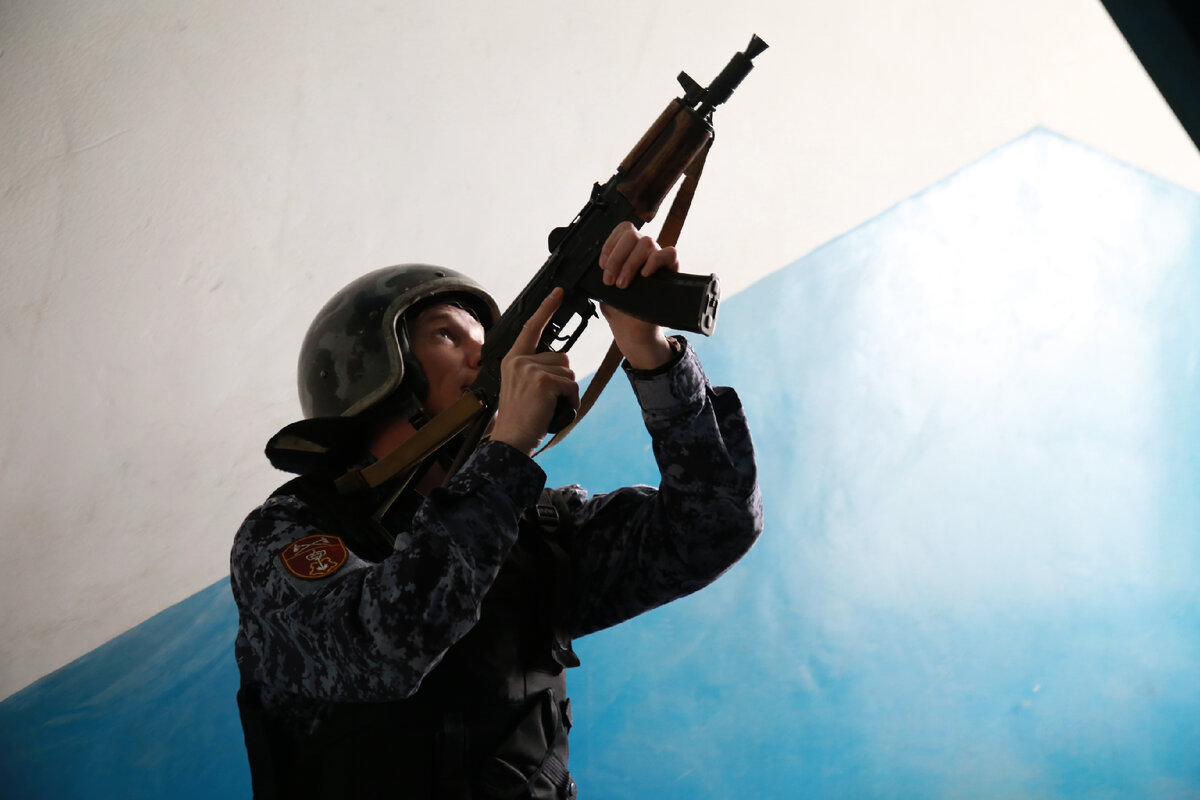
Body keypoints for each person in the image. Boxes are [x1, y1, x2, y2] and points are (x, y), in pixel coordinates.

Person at [230, 222, 762, 799]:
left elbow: (715, 527)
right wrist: (507, 452)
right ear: (376, 375)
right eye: (446, 335)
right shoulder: (290, 530)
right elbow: (383, 647)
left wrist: (651, 356)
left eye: (483, 336)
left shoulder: (539, 532)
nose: (487, 353)